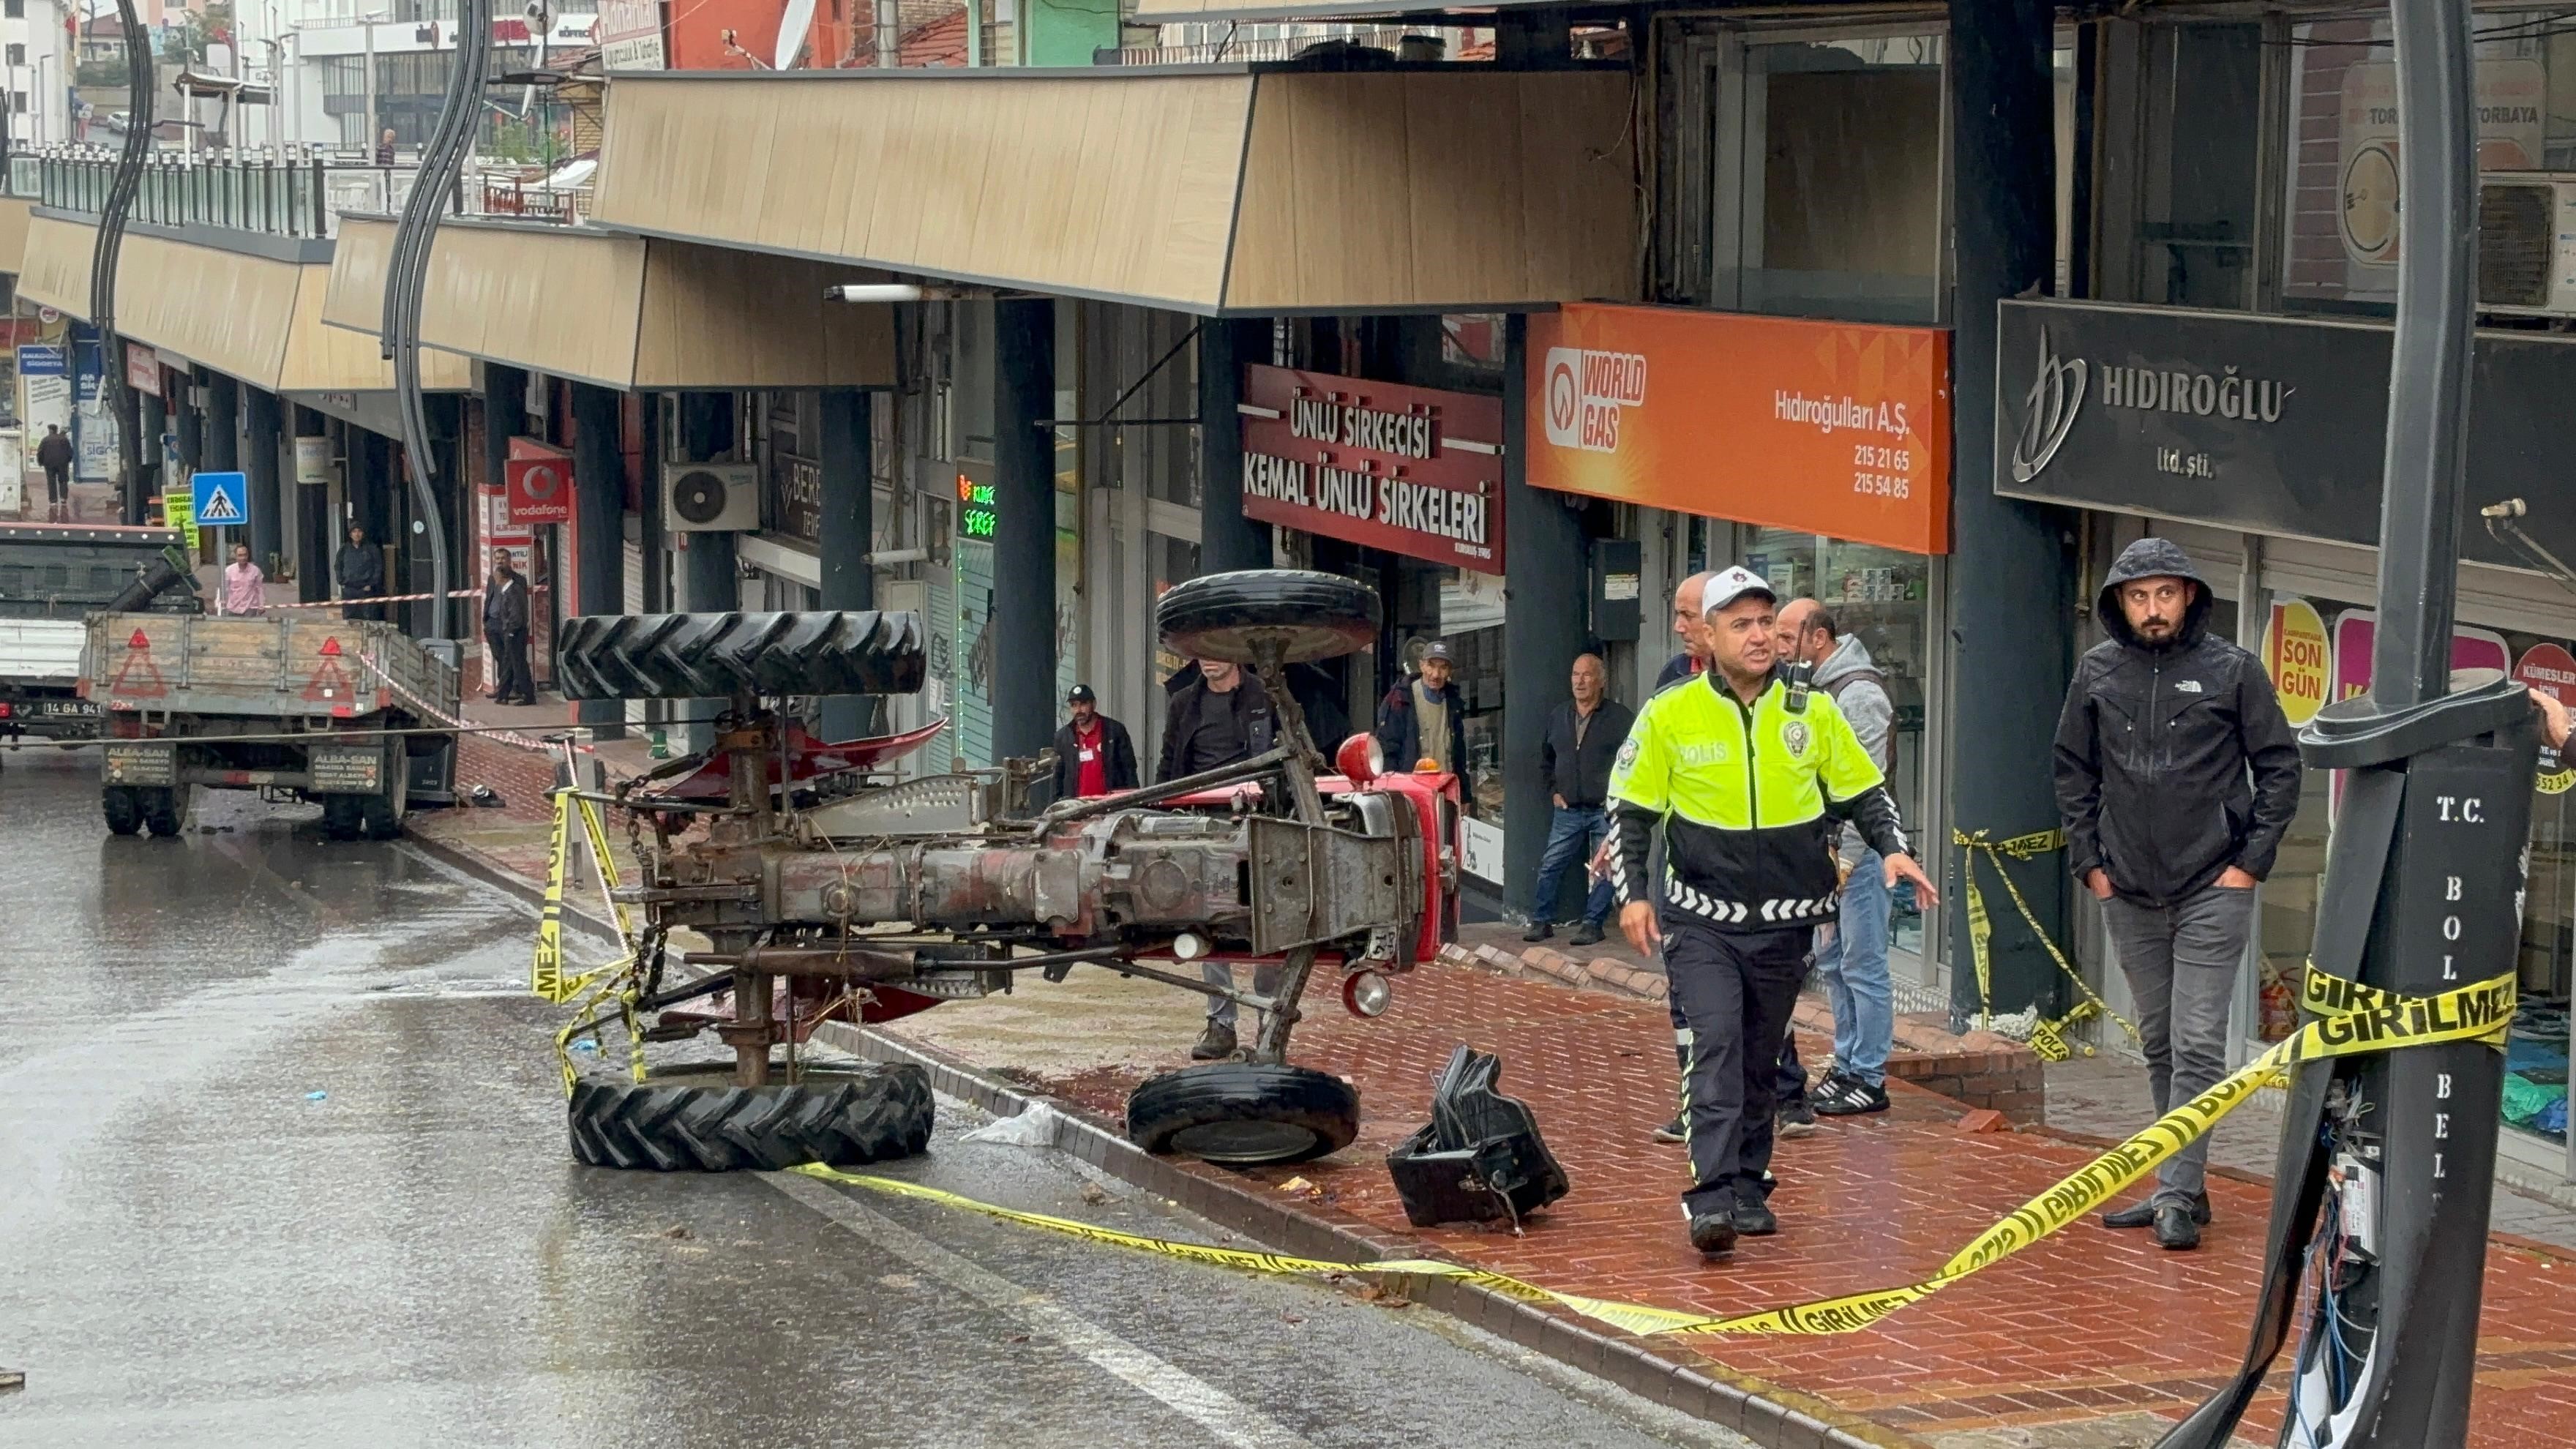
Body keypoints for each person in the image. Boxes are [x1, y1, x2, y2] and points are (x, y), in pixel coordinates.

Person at [1607, 566, 1935, 1258]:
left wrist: (1893, 850)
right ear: (1707, 635)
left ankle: (1750, 1183)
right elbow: (1630, 811)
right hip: (1700, 921)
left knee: (1760, 1058)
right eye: (1741, 625)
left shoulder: (1811, 710)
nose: (1759, 637)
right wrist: (1634, 895)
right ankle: (1710, 1196)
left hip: (1786, 921)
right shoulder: (1669, 712)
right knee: (1717, 1045)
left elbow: (1863, 791)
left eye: (1766, 623)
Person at [2054, 538, 2302, 1252]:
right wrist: (2090, 865)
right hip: (2125, 888)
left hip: (2212, 885)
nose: (2152, 609)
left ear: (2188, 595)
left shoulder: (2233, 671)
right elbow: (2072, 770)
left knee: (2196, 1044)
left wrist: (2249, 864)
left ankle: (2170, 1194)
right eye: (2138, 596)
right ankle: (2184, 1184)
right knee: (2159, 1039)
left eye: (2164, 594)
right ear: (2119, 603)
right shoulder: (2096, 671)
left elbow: (2279, 768)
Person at [1777, 598, 1900, 1117]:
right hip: (1827, 855)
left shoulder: (1859, 694)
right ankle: (1847, 1063)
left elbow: (1862, 784)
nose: (1779, 646)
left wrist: (1845, 859)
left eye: (1788, 636)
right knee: (1832, 960)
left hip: (1859, 856)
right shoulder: (1812, 687)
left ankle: (1869, 1076)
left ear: (1818, 638)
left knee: (1862, 962)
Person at [1159, 657, 1279, 1060]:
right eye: (1201, 651)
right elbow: (1169, 762)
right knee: (1206, 922)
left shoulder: (1267, 696)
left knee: (1270, 920)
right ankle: (1221, 1023)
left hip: (1259, 822)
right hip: (1201, 826)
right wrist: (1160, 813)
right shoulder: (1182, 703)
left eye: (1215, 649)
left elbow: (1290, 755)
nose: (1208, 659)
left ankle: (1270, 1020)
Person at [1525, 652, 1631, 947]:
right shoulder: (1559, 715)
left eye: (1587, 675)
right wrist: (1554, 791)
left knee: (1606, 868)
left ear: (1601, 681)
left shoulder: (1621, 718)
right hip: (1568, 810)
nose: (1580, 681)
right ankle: (1541, 921)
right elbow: (1546, 758)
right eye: (1575, 674)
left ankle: (1592, 924)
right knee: (1551, 864)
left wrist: (1620, 800)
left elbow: (1634, 762)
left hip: (1604, 810)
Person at [1376, 640, 1468, 773]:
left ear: (1450, 672)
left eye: (1443, 668)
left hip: (1445, 787)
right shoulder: (1401, 699)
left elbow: (1459, 759)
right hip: (1411, 789)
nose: (1436, 674)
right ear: (1422, 666)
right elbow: (1386, 749)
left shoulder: (1454, 704)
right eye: (1431, 665)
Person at [1051, 684, 1137, 801]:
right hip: (1076, 810)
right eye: (1074, 705)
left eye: (1083, 704)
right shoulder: (1063, 737)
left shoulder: (1114, 730)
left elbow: (1129, 770)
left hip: (1111, 807)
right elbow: (1057, 778)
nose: (1078, 710)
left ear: (1094, 704)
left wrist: (1134, 802)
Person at [483, 549, 535, 705]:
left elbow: (517, 611)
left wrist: (511, 631)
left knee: (515, 662)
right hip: (494, 623)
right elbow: (489, 598)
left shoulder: (516, 584)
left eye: (502, 558)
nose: (499, 561)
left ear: (509, 560)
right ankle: (503, 692)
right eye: (497, 558)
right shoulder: (493, 579)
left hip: (511, 628)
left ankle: (516, 691)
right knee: (503, 659)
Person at [337, 524, 386, 621]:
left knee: (367, 618)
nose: (357, 534)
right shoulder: (344, 549)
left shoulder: (371, 549)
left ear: (363, 534)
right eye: (354, 532)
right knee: (349, 619)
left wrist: (371, 584)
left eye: (359, 531)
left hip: (365, 590)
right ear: (350, 534)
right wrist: (341, 581)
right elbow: (338, 566)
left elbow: (378, 567)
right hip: (349, 589)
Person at [34, 424, 72, 521]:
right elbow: (70, 452)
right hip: (62, 464)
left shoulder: (45, 440)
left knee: (51, 482)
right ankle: (63, 498)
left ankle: (53, 501)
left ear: (50, 430)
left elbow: (40, 452)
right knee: (63, 481)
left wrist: (41, 462)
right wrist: (67, 460)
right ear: (56, 430)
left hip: (49, 464)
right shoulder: (64, 439)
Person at [221, 543, 266, 617]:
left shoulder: (255, 571)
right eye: (240, 555)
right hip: (233, 608)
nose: (243, 558)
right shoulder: (229, 571)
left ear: (248, 556)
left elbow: (260, 589)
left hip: (250, 608)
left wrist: (261, 604)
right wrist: (221, 603)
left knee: (249, 628)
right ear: (235, 557)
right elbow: (224, 589)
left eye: (245, 555)